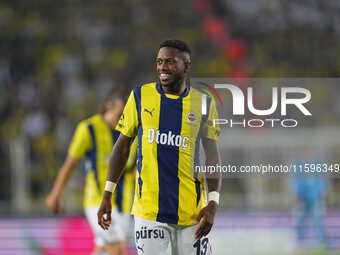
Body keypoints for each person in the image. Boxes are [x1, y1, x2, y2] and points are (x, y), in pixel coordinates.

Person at [97, 39, 222, 255]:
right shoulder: (140, 96)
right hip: (149, 214)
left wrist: (213, 203)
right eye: (159, 62)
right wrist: (108, 193)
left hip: (192, 214)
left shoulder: (204, 103)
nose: (163, 68)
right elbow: (122, 147)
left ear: (187, 65)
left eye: (170, 62)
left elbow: (212, 154)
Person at [46, 88, 136, 255]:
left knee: (103, 249)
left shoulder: (133, 131)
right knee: (118, 248)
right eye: (121, 112)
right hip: (97, 200)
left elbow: (136, 169)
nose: (124, 118)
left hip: (124, 204)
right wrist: (55, 194)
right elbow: (70, 164)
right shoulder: (88, 129)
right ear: (109, 105)